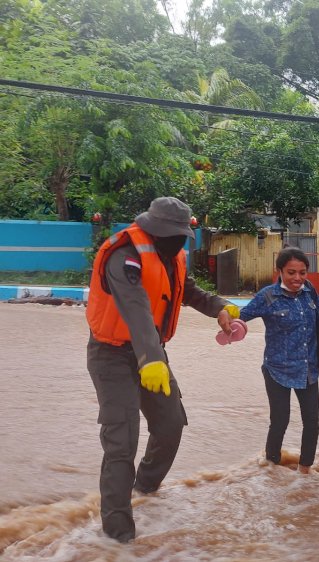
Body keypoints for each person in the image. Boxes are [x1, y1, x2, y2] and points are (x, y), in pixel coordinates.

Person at [86, 196, 240, 543]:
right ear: (154, 229)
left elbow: (191, 293)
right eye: (174, 235)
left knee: (171, 423)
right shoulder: (124, 255)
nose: (179, 242)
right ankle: (118, 538)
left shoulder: (172, 258)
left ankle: (144, 490)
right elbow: (135, 307)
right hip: (112, 355)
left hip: (151, 355)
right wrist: (150, 359)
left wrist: (221, 307)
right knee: (121, 442)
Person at [239, 247, 319, 474]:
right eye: (291, 272)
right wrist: (229, 323)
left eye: (302, 273)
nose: (298, 278)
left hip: (308, 368)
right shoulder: (267, 296)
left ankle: (305, 471)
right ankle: (271, 468)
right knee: (280, 421)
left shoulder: (309, 290)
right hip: (277, 370)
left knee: (312, 422)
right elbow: (241, 317)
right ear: (280, 271)